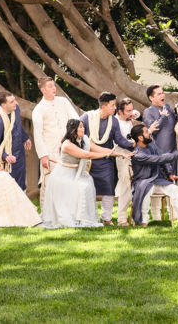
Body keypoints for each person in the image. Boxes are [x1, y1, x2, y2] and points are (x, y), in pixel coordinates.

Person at [40, 119, 121, 229]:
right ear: (74, 130)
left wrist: (116, 153)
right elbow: (86, 155)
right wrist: (106, 155)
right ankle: (73, 218)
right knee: (81, 187)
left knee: (86, 185)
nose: (83, 129)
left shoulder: (84, 140)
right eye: (81, 127)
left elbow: (97, 149)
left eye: (83, 127)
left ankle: (83, 218)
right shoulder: (67, 144)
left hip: (76, 174)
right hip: (63, 175)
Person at [80, 92, 135, 225]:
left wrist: (134, 145)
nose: (115, 108)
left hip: (106, 159)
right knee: (87, 188)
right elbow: (79, 136)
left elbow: (119, 140)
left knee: (108, 188)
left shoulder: (114, 121)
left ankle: (107, 218)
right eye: (112, 105)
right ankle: (87, 217)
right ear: (104, 106)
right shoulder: (87, 117)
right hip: (89, 159)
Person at [130, 124, 178, 227]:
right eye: (146, 132)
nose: (149, 133)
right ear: (140, 137)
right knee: (145, 190)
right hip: (143, 182)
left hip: (157, 180)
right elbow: (159, 159)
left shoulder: (151, 144)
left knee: (174, 189)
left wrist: (169, 174)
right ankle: (143, 222)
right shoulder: (138, 154)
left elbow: (161, 157)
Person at [32, 76, 79, 208]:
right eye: (50, 86)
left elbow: (75, 119)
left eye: (54, 85)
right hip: (50, 151)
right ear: (43, 90)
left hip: (67, 148)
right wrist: (43, 155)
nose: (54, 88)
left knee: (69, 180)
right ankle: (46, 212)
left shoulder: (63, 101)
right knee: (49, 182)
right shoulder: (38, 109)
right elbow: (38, 134)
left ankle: (68, 211)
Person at [0, 91, 31, 190]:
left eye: (14, 100)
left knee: (21, 186)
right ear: (3, 105)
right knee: (10, 189)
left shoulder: (16, 110)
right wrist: (5, 156)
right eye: (12, 102)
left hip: (19, 154)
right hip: (7, 161)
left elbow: (18, 125)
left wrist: (26, 138)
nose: (16, 103)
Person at [113, 98, 141, 224]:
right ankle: (122, 218)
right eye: (128, 111)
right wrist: (134, 145)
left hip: (133, 156)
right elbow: (120, 140)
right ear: (120, 111)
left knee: (135, 186)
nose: (131, 113)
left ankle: (135, 217)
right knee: (125, 185)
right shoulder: (115, 122)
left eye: (131, 110)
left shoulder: (129, 119)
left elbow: (136, 112)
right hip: (122, 156)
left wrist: (133, 113)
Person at [143, 84, 178, 174]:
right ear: (151, 98)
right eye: (159, 94)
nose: (163, 95)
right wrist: (163, 116)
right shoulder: (148, 112)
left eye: (163, 93)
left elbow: (177, 122)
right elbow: (153, 130)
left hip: (173, 151)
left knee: (174, 182)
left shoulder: (167, 107)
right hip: (159, 154)